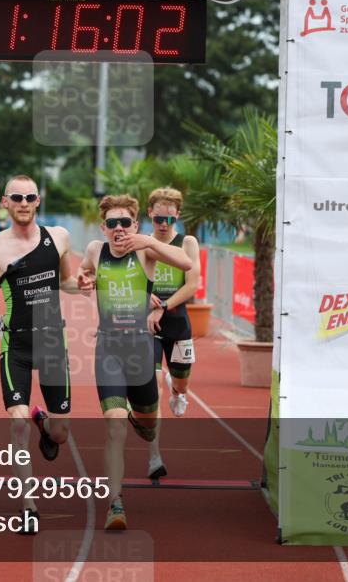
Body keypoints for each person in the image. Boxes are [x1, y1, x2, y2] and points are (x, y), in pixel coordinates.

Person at [0, 174, 83, 533]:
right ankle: (29, 505)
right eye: (16, 197)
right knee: (16, 423)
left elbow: (66, 281)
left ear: (37, 201)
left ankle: (45, 425)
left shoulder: (59, 237)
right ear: (5, 202)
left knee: (62, 432)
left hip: (52, 343)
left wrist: (81, 284)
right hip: (15, 344)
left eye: (29, 197)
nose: (23, 203)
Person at [77, 194, 192, 530]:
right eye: (112, 223)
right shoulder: (95, 252)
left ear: (135, 225)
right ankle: (115, 503)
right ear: (103, 227)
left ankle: (140, 417)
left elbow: (185, 264)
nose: (119, 229)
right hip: (109, 348)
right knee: (114, 426)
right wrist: (82, 282)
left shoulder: (145, 249)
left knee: (148, 424)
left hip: (142, 350)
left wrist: (145, 240)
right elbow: (78, 278)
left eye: (125, 222)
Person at [143, 188, 201, 481]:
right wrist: (148, 303)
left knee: (181, 384)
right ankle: (154, 456)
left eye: (169, 218)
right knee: (153, 389)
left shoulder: (187, 242)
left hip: (178, 324)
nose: (163, 224)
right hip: (149, 325)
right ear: (149, 214)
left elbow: (192, 285)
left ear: (177, 215)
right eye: (157, 218)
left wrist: (163, 305)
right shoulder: (145, 243)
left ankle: (177, 389)